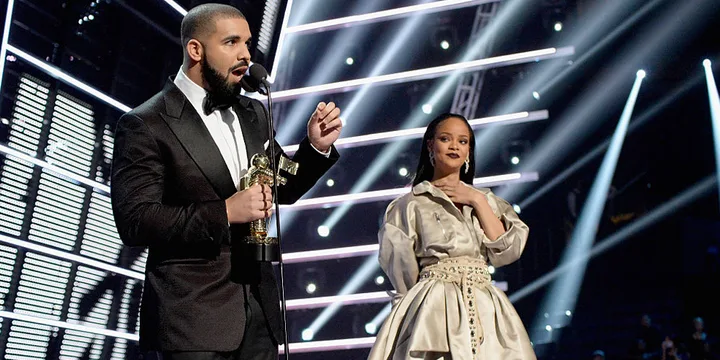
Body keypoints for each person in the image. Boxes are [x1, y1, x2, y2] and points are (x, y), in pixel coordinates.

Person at [110, 4, 342, 359]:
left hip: (259, 316)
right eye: (231, 43)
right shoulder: (147, 123)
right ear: (195, 50)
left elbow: (281, 186)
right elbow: (136, 221)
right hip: (191, 321)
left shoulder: (252, 113)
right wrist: (224, 212)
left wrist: (314, 148)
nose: (245, 55)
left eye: (247, 44)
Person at [367, 113, 534, 359]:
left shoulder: (487, 201)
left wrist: (475, 199)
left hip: (485, 306)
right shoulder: (409, 205)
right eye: (446, 139)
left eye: (463, 141)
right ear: (430, 145)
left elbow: (506, 251)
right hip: (434, 308)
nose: (455, 146)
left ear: (469, 151)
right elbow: (401, 269)